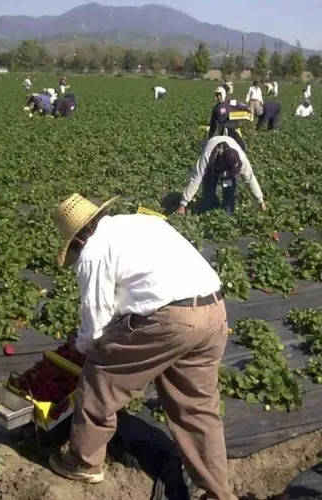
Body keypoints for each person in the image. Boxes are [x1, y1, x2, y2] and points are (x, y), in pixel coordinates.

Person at [47, 193, 233, 500]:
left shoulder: (93, 251)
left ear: (77, 240)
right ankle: (217, 493)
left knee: (101, 376)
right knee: (197, 408)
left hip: (171, 319)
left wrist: (83, 347)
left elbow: (96, 321)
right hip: (213, 309)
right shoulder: (144, 223)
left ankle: (84, 462)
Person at [177, 136, 266, 215]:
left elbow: (250, 179)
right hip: (213, 164)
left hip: (227, 151)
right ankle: (208, 209)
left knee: (229, 189)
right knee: (208, 190)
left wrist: (260, 201)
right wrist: (183, 203)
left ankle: (227, 215)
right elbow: (196, 178)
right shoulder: (208, 155)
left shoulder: (241, 160)